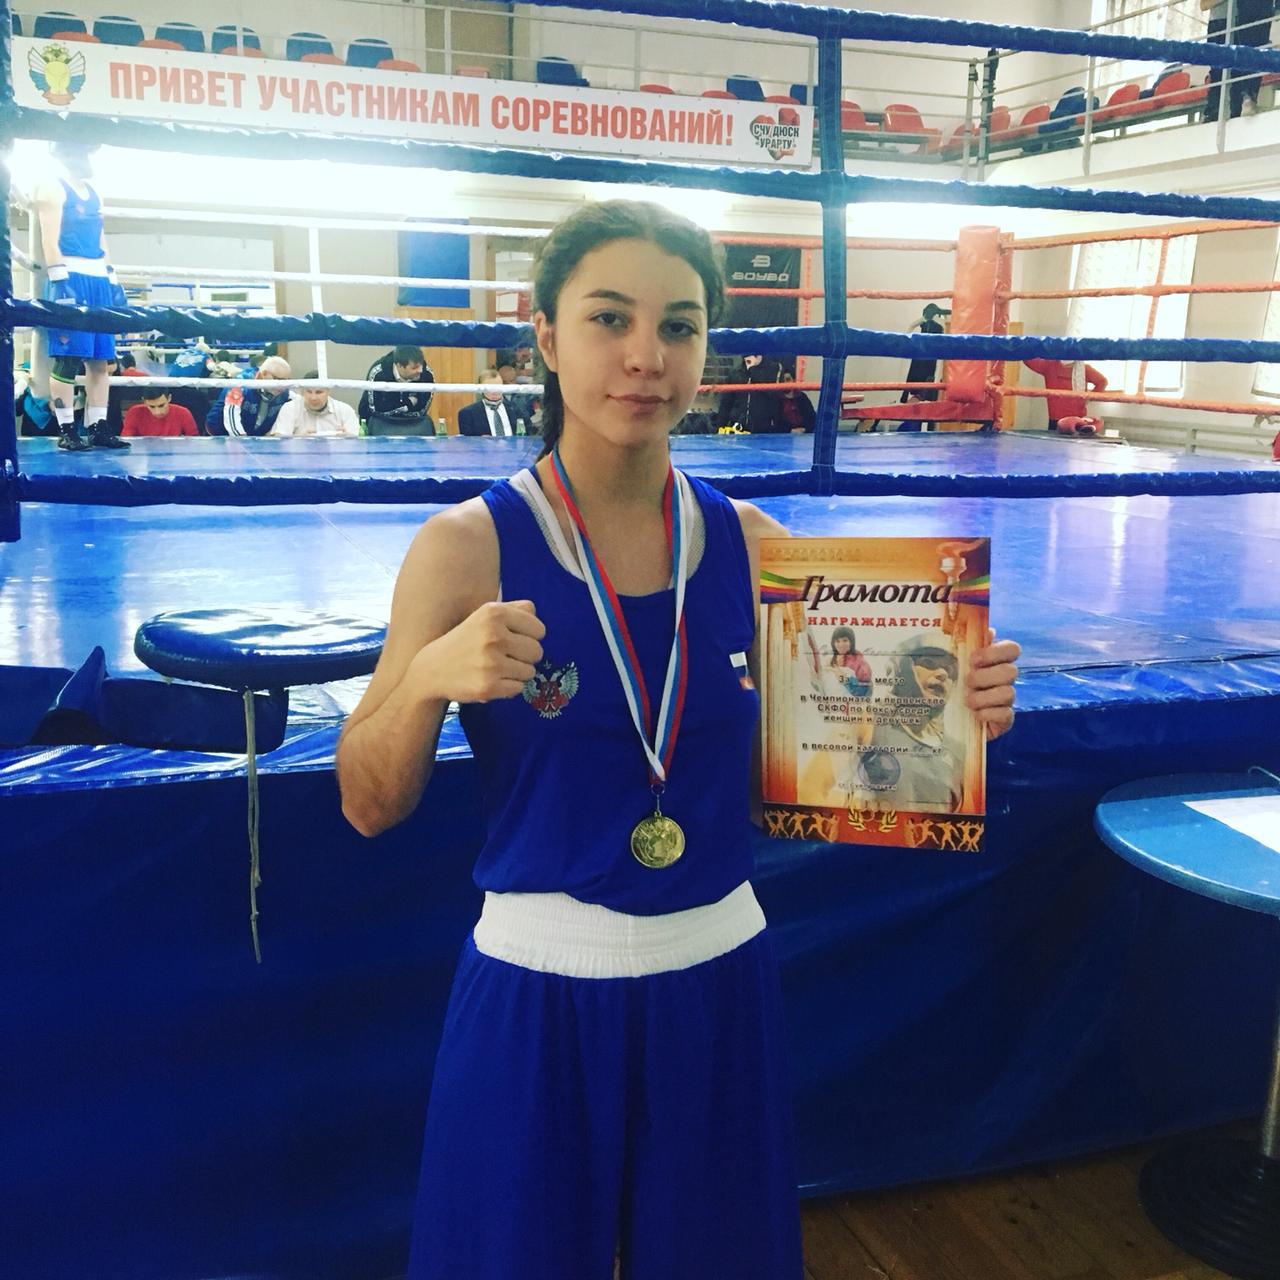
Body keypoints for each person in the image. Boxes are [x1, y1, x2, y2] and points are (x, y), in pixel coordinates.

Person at [335, 199, 1019, 1280]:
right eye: (609, 318)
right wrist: (424, 682)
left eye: (680, 326)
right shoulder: (466, 546)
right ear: (545, 333)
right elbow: (367, 803)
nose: (646, 356)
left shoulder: (754, 546)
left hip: (715, 975)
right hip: (535, 988)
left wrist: (946, 714)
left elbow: (789, 787)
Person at [35, 140, 129, 451]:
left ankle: (97, 427)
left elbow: (101, 239)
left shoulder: (95, 192)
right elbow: (49, 241)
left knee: (101, 361)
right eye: (85, 151)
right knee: (67, 359)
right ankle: (66, 429)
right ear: (67, 154)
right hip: (70, 276)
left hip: (99, 279)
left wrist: (112, 278)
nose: (88, 158)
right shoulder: (52, 187)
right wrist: (60, 281)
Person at [859, 637, 967, 812]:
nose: (942, 674)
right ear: (901, 669)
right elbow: (816, 787)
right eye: (929, 662)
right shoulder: (869, 722)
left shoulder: (959, 752)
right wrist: (852, 803)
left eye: (950, 671)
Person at [1204, 0, 1275, 120]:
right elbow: (1204, 5)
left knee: (1241, 65)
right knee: (1220, 69)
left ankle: (1239, 106)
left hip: (1243, 18)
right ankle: (1215, 111)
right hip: (1223, 22)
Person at [895, 302, 950, 433]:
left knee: (926, 397)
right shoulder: (924, 334)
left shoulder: (937, 331)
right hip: (923, 374)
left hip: (930, 376)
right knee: (921, 398)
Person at [358, 344, 436, 436]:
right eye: (414, 368)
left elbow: (421, 410)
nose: (420, 370)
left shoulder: (426, 374)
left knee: (426, 422)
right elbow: (377, 409)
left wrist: (394, 405)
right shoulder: (379, 374)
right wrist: (408, 404)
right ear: (399, 366)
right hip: (382, 422)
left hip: (413, 422)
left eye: (421, 365)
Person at [205, 355, 292, 436]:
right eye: (279, 380)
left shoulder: (284, 392)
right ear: (264, 374)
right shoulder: (240, 384)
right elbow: (231, 420)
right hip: (219, 433)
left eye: (286, 380)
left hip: (253, 437)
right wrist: (243, 441)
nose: (283, 386)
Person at [1022, 357, 1108, 432]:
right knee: (1054, 443)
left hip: (1077, 419)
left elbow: (1102, 382)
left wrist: (1088, 398)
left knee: (1073, 444)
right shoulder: (1049, 365)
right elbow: (1027, 359)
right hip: (1055, 419)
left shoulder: (1084, 369)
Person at [271, 374, 360, 438]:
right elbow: (280, 443)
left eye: (319, 392)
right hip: (299, 458)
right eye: (309, 391)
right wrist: (299, 440)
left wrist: (348, 439)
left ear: (328, 391)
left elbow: (356, 443)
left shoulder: (345, 411)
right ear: (302, 391)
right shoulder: (290, 408)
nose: (313, 398)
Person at [717, 353, 786, 433]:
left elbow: (775, 395)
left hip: (765, 429)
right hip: (738, 428)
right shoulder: (736, 372)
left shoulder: (775, 369)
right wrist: (720, 428)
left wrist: (752, 369)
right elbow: (726, 404)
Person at [458, 369, 534, 436]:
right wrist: (480, 441)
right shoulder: (468, 414)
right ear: (480, 389)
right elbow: (467, 443)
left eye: (498, 386)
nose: (495, 391)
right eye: (490, 388)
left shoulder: (517, 409)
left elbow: (530, 434)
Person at [121, 389, 199, 438]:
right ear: (144, 401)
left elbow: (194, 442)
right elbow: (126, 440)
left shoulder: (183, 413)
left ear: (169, 398)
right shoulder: (134, 413)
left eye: (161, 405)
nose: (157, 412)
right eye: (152, 406)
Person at [829, 626, 872, 695]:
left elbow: (864, 691)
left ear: (851, 642)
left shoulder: (859, 662)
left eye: (845, 640)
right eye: (837, 641)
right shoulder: (832, 660)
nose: (841, 644)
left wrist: (845, 679)